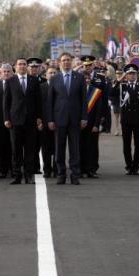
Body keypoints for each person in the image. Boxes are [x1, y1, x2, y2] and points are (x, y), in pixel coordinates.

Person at [47, 52, 87, 185]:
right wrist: (50, 119)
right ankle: (61, 174)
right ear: (59, 63)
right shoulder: (55, 79)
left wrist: (84, 118)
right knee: (59, 148)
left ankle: (75, 175)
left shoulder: (80, 78)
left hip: (75, 119)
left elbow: (83, 100)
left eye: (68, 60)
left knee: (75, 148)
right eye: (63, 60)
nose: (66, 62)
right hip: (59, 119)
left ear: (72, 62)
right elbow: (50, 101)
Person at [4, 58, 42, 185]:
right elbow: (6, 102)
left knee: (30, 150)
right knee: (16, 150)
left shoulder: (34, 80)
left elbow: (38, 101)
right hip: (15, 121)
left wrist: (39, 117)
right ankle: (17, 176)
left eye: (24, 64)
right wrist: (6, 118)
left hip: (30, 120)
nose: (22, 66)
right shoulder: (10, 81)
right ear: (15, 66)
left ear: (27, 66)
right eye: (20, 64)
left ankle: (29, 176)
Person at [110, 63, 139, 175]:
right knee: (126, 145)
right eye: (129, 74)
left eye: (134, 73)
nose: (132, 76)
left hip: (138, 119)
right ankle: (128, 166)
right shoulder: (122, 86)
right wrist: (119, 80)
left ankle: (135, 166)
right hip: (126, 119)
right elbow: (111, 93)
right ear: (126, 75)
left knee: (138, 145)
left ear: (136, 74)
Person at [40, 67, 57, 178]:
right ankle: (47, 169)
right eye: (50, 73)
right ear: (46, 75)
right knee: (45, 148)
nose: (52, 74)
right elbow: (38, 105)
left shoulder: (61, 87)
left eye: (55, 72)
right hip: (44, 122)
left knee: (57, 148)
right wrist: (40, 121)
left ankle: (56, 169)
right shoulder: (41, 87)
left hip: (58, 122)